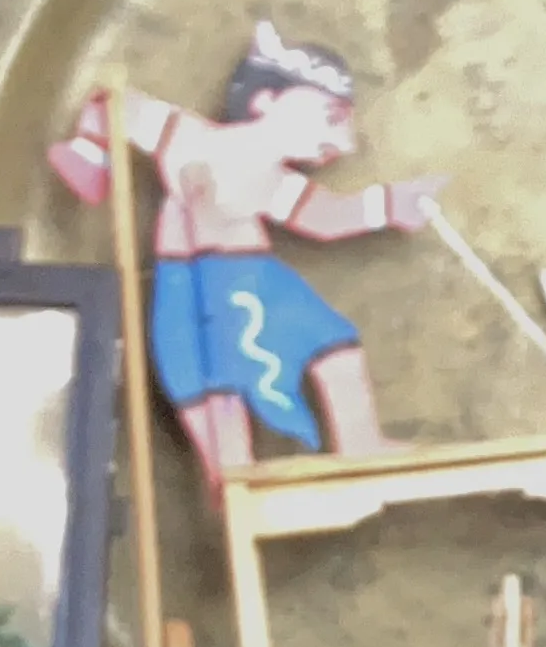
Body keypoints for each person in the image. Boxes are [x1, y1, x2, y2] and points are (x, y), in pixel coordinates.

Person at [47, 25, 447, 495]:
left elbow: (326, 216)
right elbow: (114, 106)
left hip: (261, 283)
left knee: (334, 344)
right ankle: (235, 484)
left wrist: (388, 205)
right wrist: (89, 155)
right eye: (332, 117)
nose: (344, 142)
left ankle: (359, 443)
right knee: (219, 394)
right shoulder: (186, 138)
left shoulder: (276, 181)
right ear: (267, 99)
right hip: (200, 289)